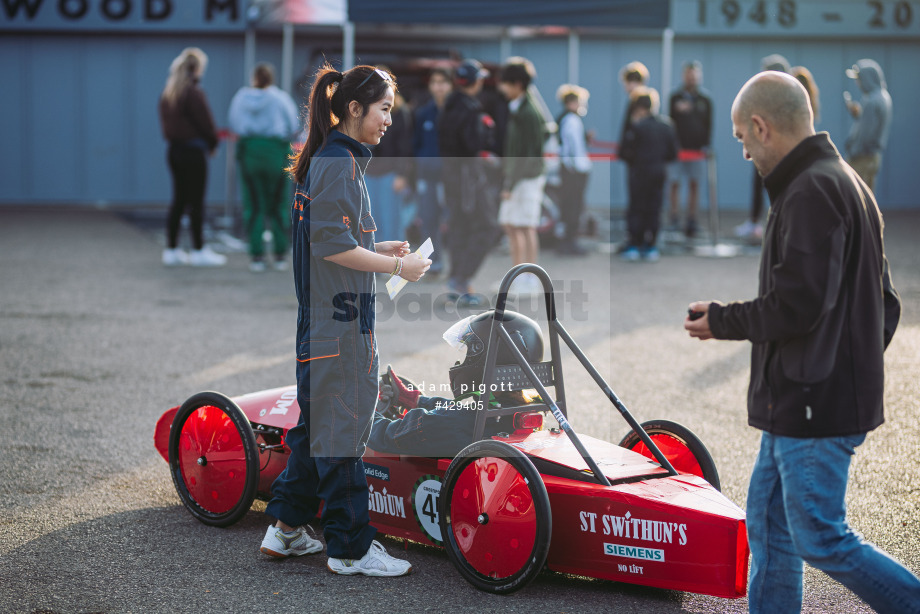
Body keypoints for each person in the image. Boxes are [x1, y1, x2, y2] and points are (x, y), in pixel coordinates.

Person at [685, 71, 920, 613]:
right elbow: (885, 304)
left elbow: (797, 305)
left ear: (763, 127)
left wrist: (721, 320)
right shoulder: (842, 181)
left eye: (743, 138)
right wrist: (847, 368)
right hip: (808, 398)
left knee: (819, 536)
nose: (743, 152)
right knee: (772, 526)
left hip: (812, 402)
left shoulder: (811, 190)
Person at [259, 64, 431, 577]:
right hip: (338, 327)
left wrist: (378, 249)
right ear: (354, 108)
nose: (388, 122)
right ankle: (351, 550)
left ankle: (286, 529)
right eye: (383, 110)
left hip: (327, 324)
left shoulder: (335, 158)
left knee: (319, 432)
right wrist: (400, 266)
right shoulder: (337, 162)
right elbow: (331, 246)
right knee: (342, 435)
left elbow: (332, 243)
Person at [368, 310, 544, 457]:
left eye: (468, 354)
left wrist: (366, 410)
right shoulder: (522, 411)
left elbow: (382, 436)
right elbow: (460, 412)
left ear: (482, 363)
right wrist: (417, 401)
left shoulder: (444, 425)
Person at [227, 62, 301, 272]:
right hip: (276, 152)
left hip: (250, 151)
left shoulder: (241, 98)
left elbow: (233, 122)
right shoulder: (280, 98)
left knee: (253, 204)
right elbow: (293, 125)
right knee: (278, 204)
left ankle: (256, 255)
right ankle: (279, 254)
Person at [157, 47, 227, 267]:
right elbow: (205, 122)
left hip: (174, 151)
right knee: (196, 201)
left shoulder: (168, 92)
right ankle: (198, 250)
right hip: (193, 152)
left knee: (178, 200)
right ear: (196, 68)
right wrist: (213, 143)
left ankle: (172, 249)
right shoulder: (194, 92)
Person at [438, 59, 499, 306]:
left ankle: (457, 281)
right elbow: (473, 145)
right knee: (487, 225)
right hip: (467, 176)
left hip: (451, 174)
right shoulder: (471, 109)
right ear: (473, 82)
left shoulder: (448, 105)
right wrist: (485, 131)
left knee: (460, 226)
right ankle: (461, 279)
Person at [497, 57, 546, 294]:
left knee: (524, 226)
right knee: (512, 225)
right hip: (521, 177)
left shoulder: (528, 112)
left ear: (517, 84)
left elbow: (526, 155)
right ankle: (517, 277)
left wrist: (510, 183)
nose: (501, 87)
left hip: (526, 178)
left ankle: (530, 279)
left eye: (505, 83)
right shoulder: (521, 107)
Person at [618, 87, 678, 262]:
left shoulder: (636, 127)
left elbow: (624, 152)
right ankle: (651, 245)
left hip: (638, 173)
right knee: (655, 208)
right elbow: (673, 154)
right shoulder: (667, 126)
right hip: (659, 172)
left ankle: (634, 244)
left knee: (637, 208)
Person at [735, 54, 791, 241]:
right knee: (759, 185)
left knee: (780, 188)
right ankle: (755, 224)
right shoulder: (765, 93)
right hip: (763, 147)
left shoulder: (788, 95)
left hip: (778, 150)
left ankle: (781, 226)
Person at [365, 72, 414, 245]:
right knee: (371, 219)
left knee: (392, 219)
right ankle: (375, 263)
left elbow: (405, 146)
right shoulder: (365, 110)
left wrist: (402, 174)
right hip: (368, 172)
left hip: (390, 173)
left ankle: (396, 263)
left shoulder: (400, 112)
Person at [412, 67, 452, 277]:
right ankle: (432, 265)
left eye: (443, 82)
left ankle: (457, 270)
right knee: (428, 221)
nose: (439, 86)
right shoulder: (423, 114)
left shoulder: (456, 112)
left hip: (451, 180)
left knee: (454, 223)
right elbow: (415, 145)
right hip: (427, 178)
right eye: (435, 82)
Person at [666, 60, 712, 239]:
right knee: (674, 183)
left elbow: (709, 125)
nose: (691, 78)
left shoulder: (705, 100)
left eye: (694, 74)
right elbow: (670, 123)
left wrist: (706, 146)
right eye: (688, 74)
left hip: (697, 151)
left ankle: (692, 220)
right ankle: (674, 218)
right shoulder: (675, 97)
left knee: (694, 184)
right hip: (677, 150)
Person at [844, 59, 892, 192]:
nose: (857, 83)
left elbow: (866, 133)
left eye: (859, 79)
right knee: (868, 198)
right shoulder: (883, 96)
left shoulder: (871, 101)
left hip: (862, 158)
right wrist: (859, 115)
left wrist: (853, 153)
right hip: (873, 156)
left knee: (855, 197)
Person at [555, 84, 592, 256]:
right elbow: (569, 147)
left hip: (572, 169)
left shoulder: (567, 119)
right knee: (572, 207)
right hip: (573, 172)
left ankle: (568, 241)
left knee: (571, 207)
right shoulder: (570, 120)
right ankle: (569, 242)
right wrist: (574, 167)